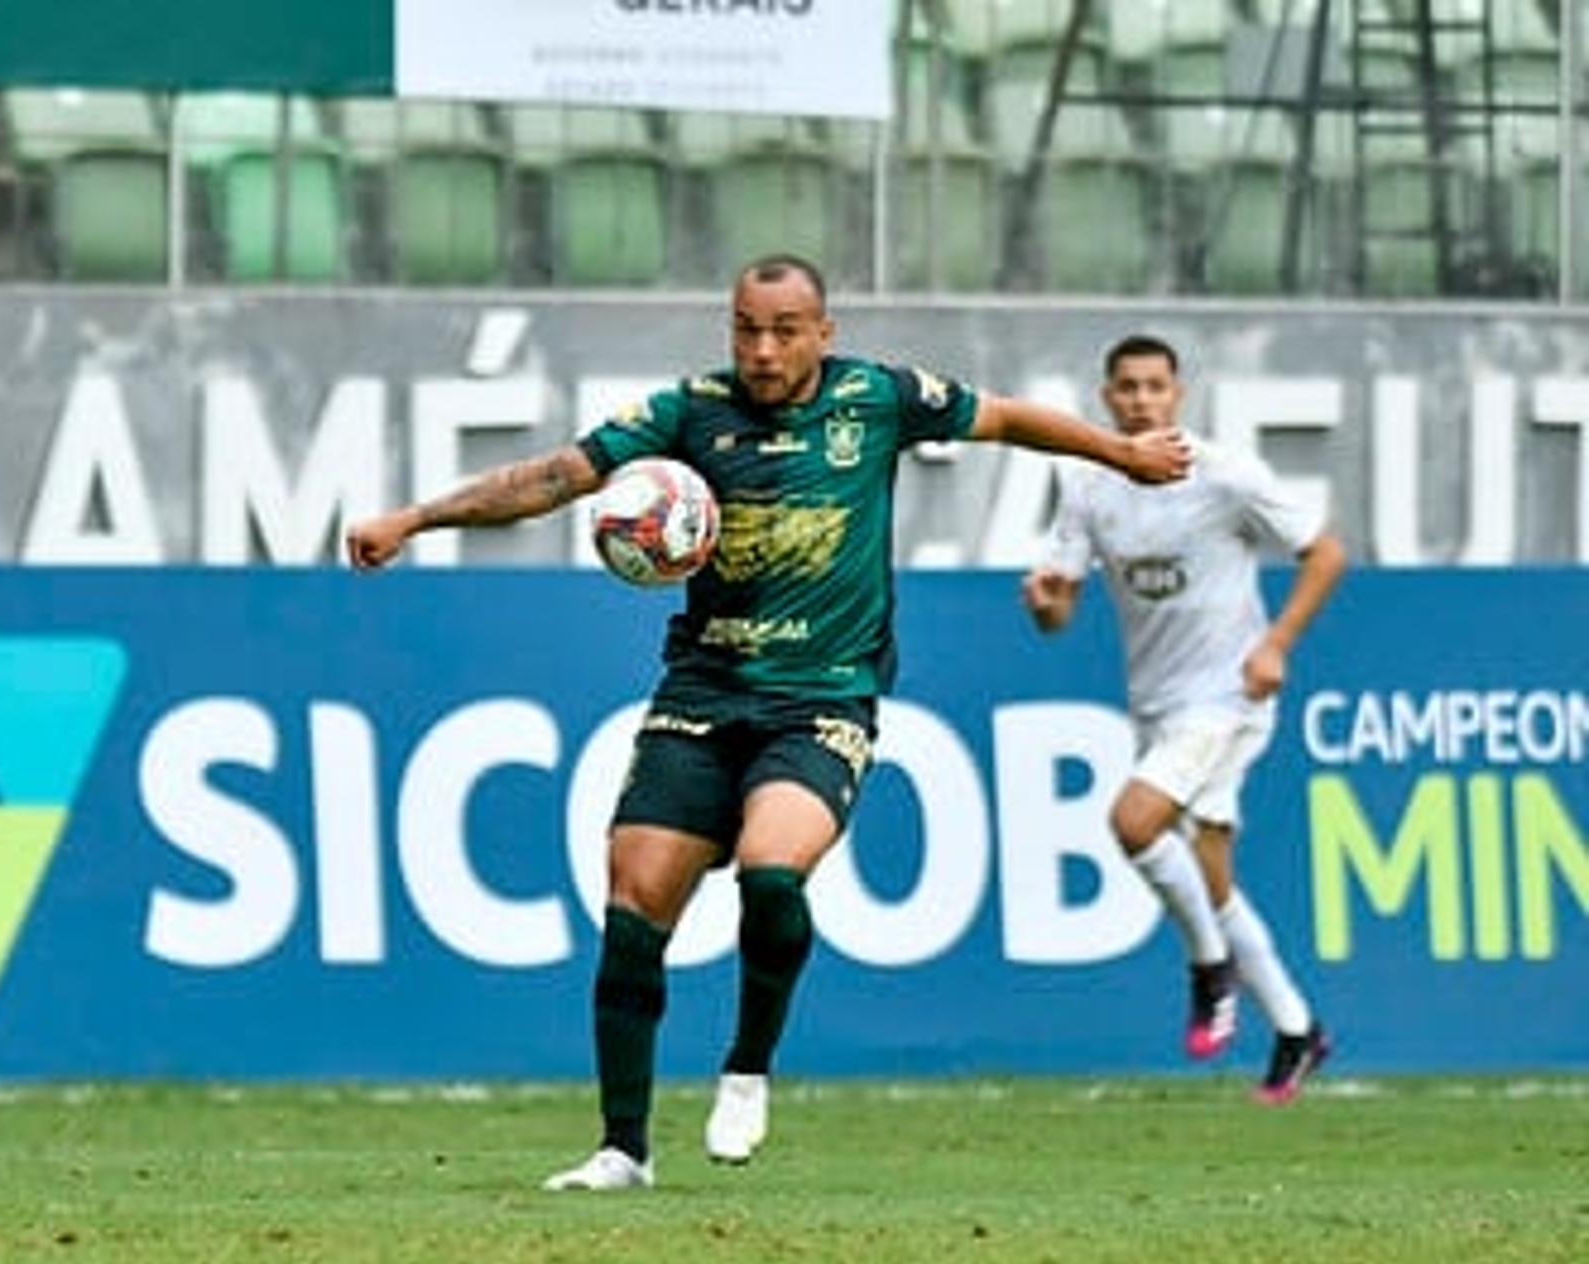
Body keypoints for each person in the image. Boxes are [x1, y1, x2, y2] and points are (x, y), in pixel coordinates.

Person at [347, 255, 1191, 1190]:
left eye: (785, 329)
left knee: (773, 873)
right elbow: (557, 475)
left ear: (823, 332)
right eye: (747, 327)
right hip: (703, 693)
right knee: (632, 910)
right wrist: (416, 517)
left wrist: (1124, 453)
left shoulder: (879, 396)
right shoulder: (688, 412)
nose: (762, 347)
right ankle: (622, 1148)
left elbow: (1007, 418)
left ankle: (747, 1068)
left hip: (822, 695)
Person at [1021, 333, 1346, 1104]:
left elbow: (1325, 552)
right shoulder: (1090, 483)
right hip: (1159, 704)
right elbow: (1059, 604)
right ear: (1107, 397)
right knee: (1212, 876)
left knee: (1134, 822)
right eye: (1126, 387)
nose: (1141, 400)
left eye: (1155, 386)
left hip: (1230, 697)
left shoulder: (1225, 474)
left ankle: (1209, 967)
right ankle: (1298, 1029)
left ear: (1178, 394)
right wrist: (1045, 602)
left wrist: (1275, 644)